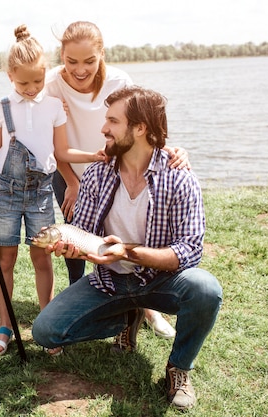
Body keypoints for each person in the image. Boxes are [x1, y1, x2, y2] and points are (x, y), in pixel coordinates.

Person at [31, 86, 223, 410]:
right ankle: (125, 319)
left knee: (206, 289)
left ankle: (178, 367)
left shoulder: (179, 178)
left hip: (160, 281)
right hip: (109, 281)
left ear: (140, 128)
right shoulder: (97, 173)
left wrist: (129, 253)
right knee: (45, 331)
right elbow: (87, 233)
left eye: (112, 121)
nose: (103, 128)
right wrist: (71, 247)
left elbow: (189, 251)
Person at [45, 20, 180, 339]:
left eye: (89, 61)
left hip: (114, 171)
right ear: (61, 56)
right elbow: (51, 142)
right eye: (71, 61)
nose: (80, 70)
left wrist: (173, 150)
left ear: (102, 54)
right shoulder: (51, 84)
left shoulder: (120, 80)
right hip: (69, 173)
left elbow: (140, 128)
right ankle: (76, 304)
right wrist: (73, 183)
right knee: (75, 242)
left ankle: (147, 308)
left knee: (125, 238)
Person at [0, 24, 104, 357]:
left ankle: (46, 322)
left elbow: (63, 151)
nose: (31, 88)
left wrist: (93, 155)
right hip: (6, 194)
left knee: (42, 257)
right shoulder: (0, 107)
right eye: (23, 82)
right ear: (10, 75)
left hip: (39, 195)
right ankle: (5, 325)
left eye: (38, 81)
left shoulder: (53, 106)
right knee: (5, 259)